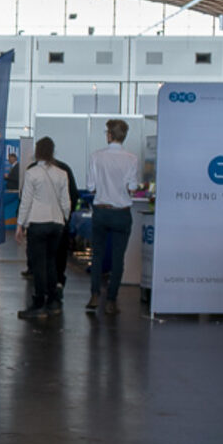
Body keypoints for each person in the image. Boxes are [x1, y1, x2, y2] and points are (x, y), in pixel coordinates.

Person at [86, 119, 141, 314]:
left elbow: (91, 187)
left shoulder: (96, 157)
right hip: (121, 214)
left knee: (97, 254)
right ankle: (111, 300)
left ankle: (94, 294)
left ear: (109, 135)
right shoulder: (132, 159)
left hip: (101, 211)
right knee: (118, 259)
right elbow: (132, 187)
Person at [16, 137, 71, 318]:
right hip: (57, 224)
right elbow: (66, 202)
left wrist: (20, 225)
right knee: (51, 263)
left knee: (39, 265)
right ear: (52, 152)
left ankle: (39, 303)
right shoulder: (62, 173)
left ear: (37, 152)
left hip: (38, 223)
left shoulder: (32, 173)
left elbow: (26, 201)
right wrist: (64, 218)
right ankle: (53, 301)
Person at [50, 149, 80, 289]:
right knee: (60, 252)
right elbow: (73, 194)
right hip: (60, 219)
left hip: (39, 221)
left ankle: (43, 288)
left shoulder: (33, 170)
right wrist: (67, 215)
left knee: (42, 254)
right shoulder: (64, 169)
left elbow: (26, 197)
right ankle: (58, 281)